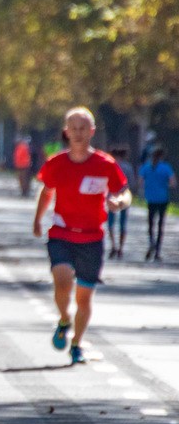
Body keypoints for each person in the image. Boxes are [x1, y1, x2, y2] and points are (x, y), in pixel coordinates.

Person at [33, 107, 131, 365]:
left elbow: (124, 191)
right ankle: (64, 318)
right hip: (62, 234)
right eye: (73, 128)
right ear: (66, 132)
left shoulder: (105, 164)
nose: (78, 133)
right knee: (62, 280)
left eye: (83, 128)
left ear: (92, 131)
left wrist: (120, 202)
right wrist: (37, 219)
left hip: (92, 238)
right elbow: (47, 191)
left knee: (84, 297)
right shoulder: (56, 163)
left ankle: (76, 343)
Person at [138, 145, 176, 261]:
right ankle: (157, 251)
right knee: (160, 224)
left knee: (150, 223)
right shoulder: (166, 167)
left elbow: (140, 182)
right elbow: (173, 183)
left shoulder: (146, 167)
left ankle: (151, 242)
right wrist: (165, 185)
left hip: (150, 198)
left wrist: (148, 186)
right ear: (162, 156)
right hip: (163, 198)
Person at [105, 146, 134, 259]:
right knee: (123, 223)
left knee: (110, 223)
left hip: (111, 196)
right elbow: (131, 183)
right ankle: (121, 248)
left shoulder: (110, 166)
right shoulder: (128, 167)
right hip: (124, 197)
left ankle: (113, 245)